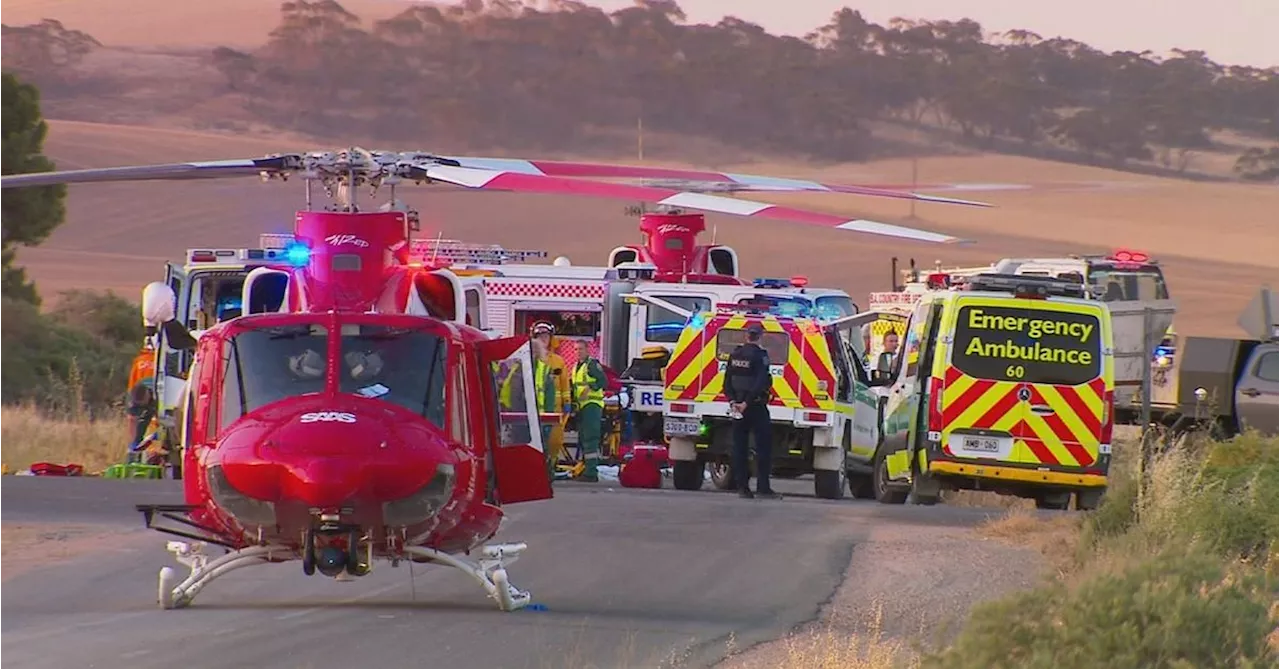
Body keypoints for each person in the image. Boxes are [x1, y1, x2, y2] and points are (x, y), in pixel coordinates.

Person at [724, 322, 781, 499]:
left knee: (739, 448)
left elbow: (726, 383)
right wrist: (747, 403)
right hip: (755, 406)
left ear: (746, 335)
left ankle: (742, 488)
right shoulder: (760, 356)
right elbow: (760, 382)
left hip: (738, 407)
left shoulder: (734, 355)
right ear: (760, 336)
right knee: (763, 447)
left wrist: (734, 401)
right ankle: (763, 488)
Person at [530, 322, 572, 464]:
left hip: (555, 409)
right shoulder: (529, 360)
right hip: (533, 409)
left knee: (555, 441)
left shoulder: (558, 361)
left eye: (546, 336)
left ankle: (551, 466)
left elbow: (564, 383)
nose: (543, 339)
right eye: (540, 336)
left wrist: (567, 403)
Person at [570, 340, 607, 482]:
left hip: (592, 404)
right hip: (581, 406)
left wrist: (590, 386)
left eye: (580, 349)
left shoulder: (592, 365)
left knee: (591, 438)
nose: (577, 352)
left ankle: (591, 472)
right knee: (584, 438)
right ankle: (586, 468)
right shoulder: (576, 367)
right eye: (575, 349)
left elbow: (603, 381)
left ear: (587, 350)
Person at [530, 337, 558, 480]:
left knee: (542, 449)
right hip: (528, 417)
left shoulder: (544, 370)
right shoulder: (519, 368)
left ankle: (545, 476)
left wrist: (549, 418)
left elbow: (550, 396)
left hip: (539, 417)